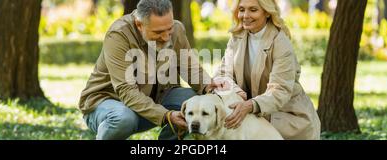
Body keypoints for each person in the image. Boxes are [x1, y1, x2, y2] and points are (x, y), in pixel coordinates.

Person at [78, 0, 218, 140]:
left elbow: (190, 69)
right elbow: (126, 91)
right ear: (139, 25)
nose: (166, 37)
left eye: (169, 30)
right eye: (158, 32)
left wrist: (209, 88)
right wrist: (166, 116)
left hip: (154, 100)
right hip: (109, 103)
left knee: (195, 102)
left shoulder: (177, 29)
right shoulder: (118, 35)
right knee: (123, 118)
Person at [213, 0, 321, 139]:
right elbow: (222, 74)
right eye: (241, 9)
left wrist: (251, 105)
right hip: (253, 119)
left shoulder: (280, 42)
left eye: (253, 10)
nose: (245, 15)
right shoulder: (237, 37)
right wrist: (236, 91)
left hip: (286, 120)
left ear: (267, 13)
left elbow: (279, 90)